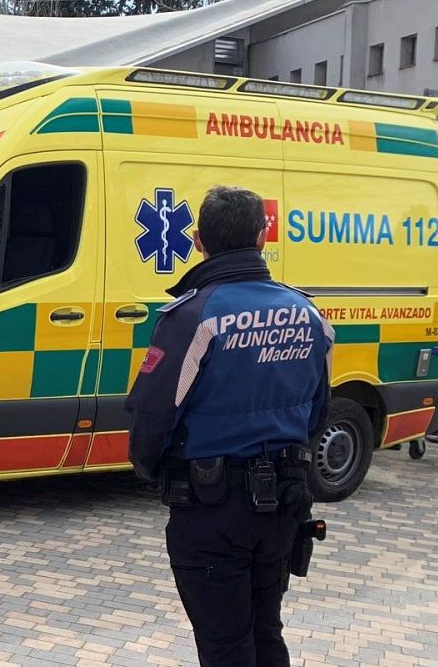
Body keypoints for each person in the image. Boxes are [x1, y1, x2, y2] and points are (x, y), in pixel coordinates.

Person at [128, 185, 331, 667]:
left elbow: (153, 415)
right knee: (266, 635)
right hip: (283, 503)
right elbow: (318, 411)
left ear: (198, 241)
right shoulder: (308, 314)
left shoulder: (194, 315)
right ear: (263, 237)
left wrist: (150, 469)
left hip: (212, 508)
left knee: (225, 648)